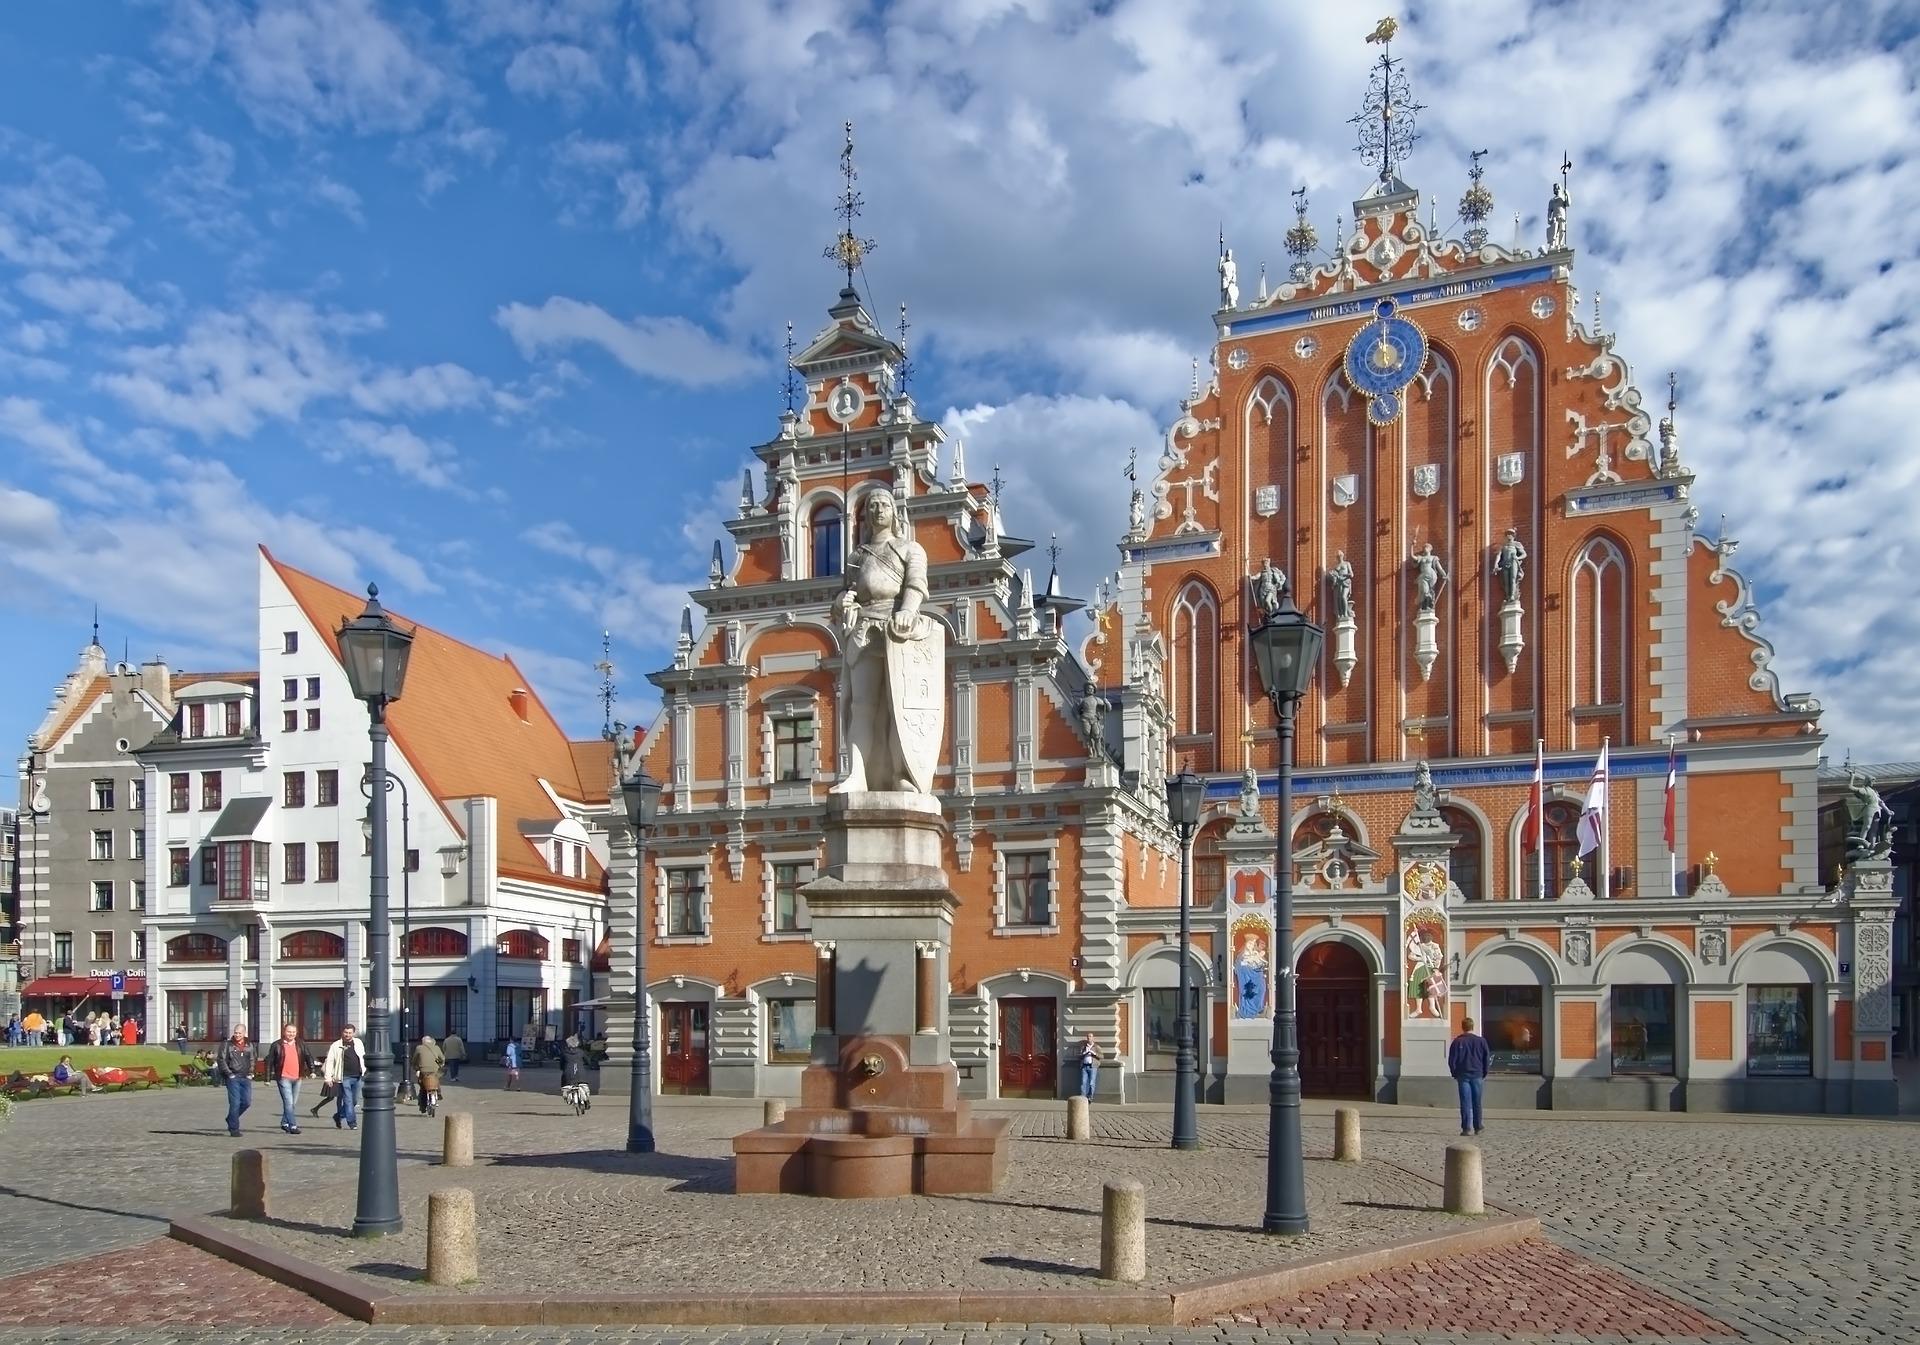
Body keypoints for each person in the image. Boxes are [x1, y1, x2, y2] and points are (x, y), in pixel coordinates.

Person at [830, 491, 942, 795]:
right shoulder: (857, 556)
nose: (879, 510)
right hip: (865, 630)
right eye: (873, 506)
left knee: (899, 708)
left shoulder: (910, 549)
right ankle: (857, 774)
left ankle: (903, 774)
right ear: (865, 515)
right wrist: (843, 601)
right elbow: (842, 597)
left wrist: (907, 610)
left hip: (897, 631)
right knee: (861, 706)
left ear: (895, 513)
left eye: (885, 505)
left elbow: (916, 584)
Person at [264, 1024, 313, 1135]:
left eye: (293, 1032)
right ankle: (293, 1125)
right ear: (284, 1032)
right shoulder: (277, 1045)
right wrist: (267, 1078)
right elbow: (269, 1062)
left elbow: (308, 1056)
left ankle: (284, 1123)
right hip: (283, 1077)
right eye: (289, 1031)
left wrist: (312, 1070)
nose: (291, 1034)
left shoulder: (300, 1043)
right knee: (288, 1102)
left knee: (292, 1103)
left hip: (297, 1077)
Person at [1448, 1016, 1491, 1137]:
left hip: (1463, 1075)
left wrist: (1454, 1073)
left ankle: (1466, 1128)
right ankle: (1478, 1127)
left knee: (1465, 1102)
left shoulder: (1457, 1042)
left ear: (1463, 1027)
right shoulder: (1481, 1041)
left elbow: (1452, 1060)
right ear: (1473, 1027)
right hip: (1477, 1074)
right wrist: (1484, 1072)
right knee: (1477, 1102)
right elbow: (1486, 1058)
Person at [213, 1024, 256, 1137]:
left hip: (245, 1077)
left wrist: (251, 1073)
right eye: (236, 1032)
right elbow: (221, 1060)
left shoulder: (249, 1045)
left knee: (246, 1102)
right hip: (233, 1077)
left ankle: (231, 1118)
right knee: (235, 1103)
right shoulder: (227, 1045)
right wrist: (229, 1074)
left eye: (239, 1033)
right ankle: (234, 1128)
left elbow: (252, 1059)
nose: (237, 1035)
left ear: (244, 1033)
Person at [321, 1024, 366, 1130]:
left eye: (350, 1033)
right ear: (342, 1032)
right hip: (344, 1076)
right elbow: (330, 1061)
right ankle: (352, 1123)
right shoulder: (336, 1045)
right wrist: (328, 1077)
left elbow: (363, 1056)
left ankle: (338, 1116)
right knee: (348, 1100)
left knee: (355, 1100)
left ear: (353, 1033)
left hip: (358, 1076)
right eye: (346, 1032)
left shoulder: (358, 1042)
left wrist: (365, 1069)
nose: (347, 1035)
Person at [411, 1034, 445, 1114]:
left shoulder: (419, 1048)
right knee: (436, 1079)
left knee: (423, 1087)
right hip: (434, 1070)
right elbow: (441, 1059)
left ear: (423, 1042)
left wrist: (416, 1067)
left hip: (423, 1071)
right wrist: (440, 1064)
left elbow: (415, 1060)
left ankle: (423, 1106)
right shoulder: (436, 1048)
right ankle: (439, 1093)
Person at [559, 1034, 590, 1108]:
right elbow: (588, 1061)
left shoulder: (564, 1053)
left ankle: (570, 1099)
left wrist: (562, 1068)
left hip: (568, 1076)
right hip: (581, 1075)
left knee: (565, 1086)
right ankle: (586, 1100)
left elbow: (561, 1064)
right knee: (584, 1087)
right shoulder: (581, 1052)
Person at [1077, 1032, 1100, 1101]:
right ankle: (1083, 1097)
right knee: (1083, 1083)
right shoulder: (1084, 1047)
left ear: (1093, 1038)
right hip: (1084, 1066)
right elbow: (1079, 1056)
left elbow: (1101, 1056)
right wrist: (1084, 1053)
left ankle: (1090, 1097)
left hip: (1092, 1067)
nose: (1089, 1038)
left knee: (1091, 1083)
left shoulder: (1096, 1046)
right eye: (1088, 1037)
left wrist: (1094, 1054)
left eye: (1090, 1036)